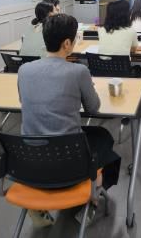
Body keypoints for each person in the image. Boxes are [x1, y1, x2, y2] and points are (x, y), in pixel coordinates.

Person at [18, 14, 121, 225]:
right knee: (104, 139)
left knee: (96, 135)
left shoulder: (24, 70)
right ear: (67, 43)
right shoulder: (78, 71)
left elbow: (23, 101)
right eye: (74, 39)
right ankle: (93, 197)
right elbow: (93, 107)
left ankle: (39, 207)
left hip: (31, 160)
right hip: (69, 160)